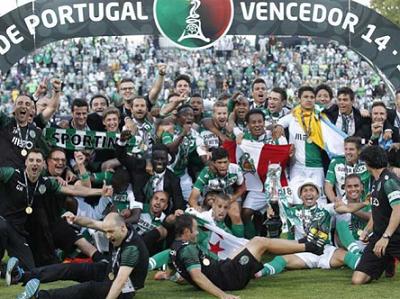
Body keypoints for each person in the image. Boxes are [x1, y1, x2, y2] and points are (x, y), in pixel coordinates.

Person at [0, 149, 113, 271]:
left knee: (30, 269)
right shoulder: (14, 174)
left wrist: (100, 191)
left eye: (38, 161)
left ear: (42, 163)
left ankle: (101, 260)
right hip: (16, 224)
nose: (34, 163)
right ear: (26, 162)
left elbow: (78, 189)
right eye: (31, 160)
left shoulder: (52, 181)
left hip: (44, 225)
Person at [169, 214, 325, 299]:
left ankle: (303, 242)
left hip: (223, 270)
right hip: (229, 279)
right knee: (260, 242)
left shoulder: (175, 248)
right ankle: (309, 246)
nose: (197, 232)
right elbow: (197, 277)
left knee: (254, 242)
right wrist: (223, 296)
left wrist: (171, 276)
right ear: (186, 232)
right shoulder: (188, 249)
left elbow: (185, 273)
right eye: (195, 229)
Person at [12, 212, 149, 299]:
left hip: (126, 288)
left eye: (110, 232)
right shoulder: (116, 228)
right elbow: (92, 223)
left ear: (123, 228)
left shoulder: (132, 248)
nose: (107, 236)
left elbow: (120, 282)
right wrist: (75, 219)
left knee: (88, 289)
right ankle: (23, 276)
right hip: (110, 269)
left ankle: (39, 297)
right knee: (73, 268)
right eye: (106, 232)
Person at [255, 179, 368, 278]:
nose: (308, 193)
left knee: (347, 256)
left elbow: (347, 208)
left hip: (326, 251)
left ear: (318, 195)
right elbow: (287, 231)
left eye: (312, 190)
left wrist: (365, 203)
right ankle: (258, 273)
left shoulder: (326, 208)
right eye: (305, 190)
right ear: (300, 195)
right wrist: (270, 207)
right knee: (281, 260)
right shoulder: (292, 212)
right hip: (304, 253)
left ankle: (368, 268)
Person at [352, 146, 400, 284]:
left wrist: (386, 237)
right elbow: (377, 212)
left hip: (394, 236)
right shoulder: (375, 182)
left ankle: (389, 258)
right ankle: (387, 259)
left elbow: (398, 209)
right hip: (379, 237)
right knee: (358, 280)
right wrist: (367, 230)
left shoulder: (389, 181)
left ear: (367, 163)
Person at [324, 136, 370, 203]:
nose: (348, 152)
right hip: (344, 207)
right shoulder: (336, 162)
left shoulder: (366, 163)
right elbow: (328, 186)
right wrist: (335, 202)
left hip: (364, 207)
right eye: (346, 149)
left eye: (351, 149)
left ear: (359, 151)